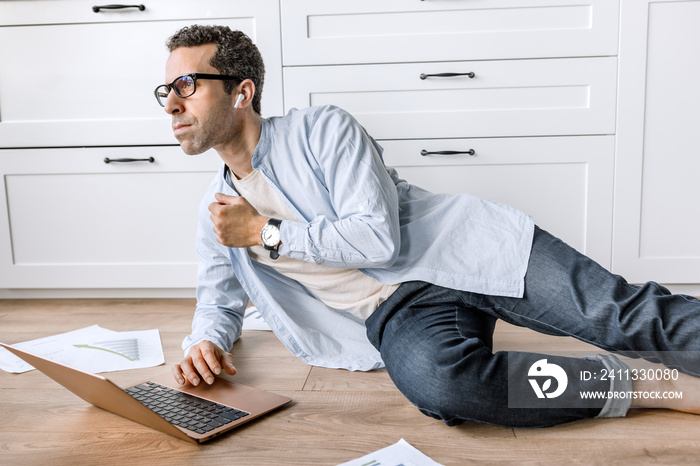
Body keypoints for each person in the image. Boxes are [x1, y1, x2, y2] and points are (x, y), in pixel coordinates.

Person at [156, 25, 700, 428]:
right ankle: (652, 385)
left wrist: (266, 233)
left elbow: (376, 237)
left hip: (462, 248)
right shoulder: (218, 210)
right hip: (397, 311)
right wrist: (205, 340)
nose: (172, 104)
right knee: (445, 388)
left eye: (186, 84)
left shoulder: (322, 129)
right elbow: (218, 300)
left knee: (619, 314)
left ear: (242, 91)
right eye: (166, 92)